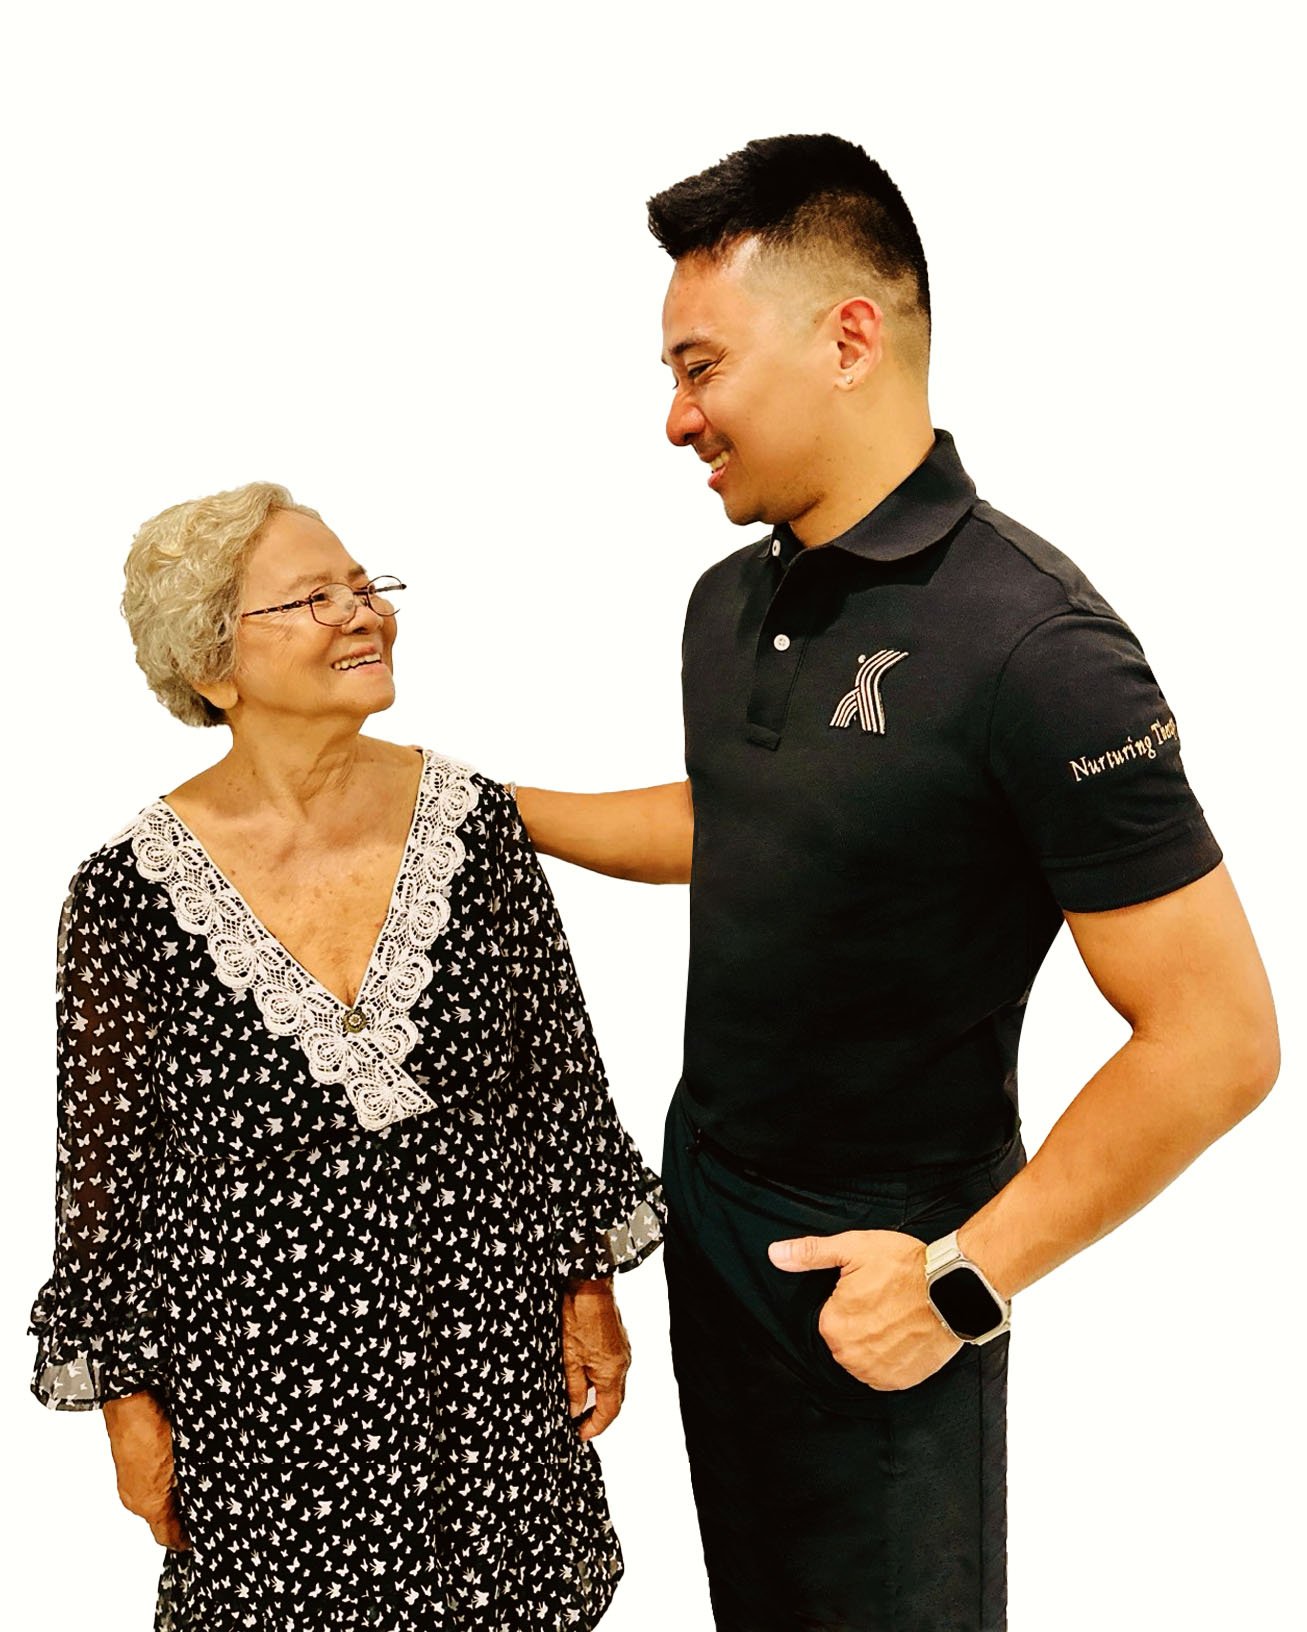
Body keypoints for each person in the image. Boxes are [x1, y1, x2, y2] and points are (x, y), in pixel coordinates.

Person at [512, 135, 1279, 1631]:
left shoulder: (1033, 645)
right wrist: (490, 811)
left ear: (847, 336)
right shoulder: (726, 601)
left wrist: (959, 1279)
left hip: (888, 1248)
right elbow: (760, 821)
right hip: (713, 1205)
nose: (674, 419)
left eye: (699, 367)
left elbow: (1216, 1036)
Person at [28, 481, 664, 1631]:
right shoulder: (126, 895)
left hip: (484, 1377)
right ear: (211, 664)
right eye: (312, 598)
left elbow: (559, 1089)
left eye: (366, 587)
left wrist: (587, 1292)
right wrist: (128, 1406)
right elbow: (107, 1183)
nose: (362, 613)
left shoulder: (474, 827)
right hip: (262, 1409)